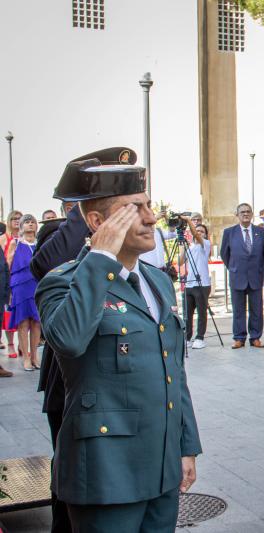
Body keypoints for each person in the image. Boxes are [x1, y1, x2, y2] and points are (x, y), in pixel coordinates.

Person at [35, 156, 201, 532]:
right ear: (97, 222)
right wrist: (100, 257)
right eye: (134, 209)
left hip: (161, 467)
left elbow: (173, 369)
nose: (151, 217)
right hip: (106, 476)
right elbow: (69, 340)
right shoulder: (65, 281)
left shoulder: (157, 281)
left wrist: (186, 445)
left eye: (149, 206)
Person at [30, 147, 124, 533]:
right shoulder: (61, 232)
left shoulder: (138, 235)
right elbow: (46, 266)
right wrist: (84, 212)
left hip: (120, 380)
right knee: (70, 481)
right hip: (72, 381)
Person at [220, 203, 264, 349]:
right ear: (237, 215)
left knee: (256, 309)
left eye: (248, 211)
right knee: (238, 309)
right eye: (242, 212)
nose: (245, 214)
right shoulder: (229, 232)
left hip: (255, 276)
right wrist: (234, 267)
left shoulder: (261, 232)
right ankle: (239, 338)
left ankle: (255, 337)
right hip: (237, 276)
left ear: (252, 214)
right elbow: (225, 254)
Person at [7, 214, 41, 371]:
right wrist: (8, 290)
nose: (30, 224)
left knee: (36, 321)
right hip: (20, 285)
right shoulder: (15, 243)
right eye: (26, 222)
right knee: (23, 321)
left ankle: (35, 356)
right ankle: (26, 358)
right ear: (21, 226)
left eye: (32, 222)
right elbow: (8, 265)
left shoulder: (40, 243)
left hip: (37, 284)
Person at [183, 222, 212, 349]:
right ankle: (187, 337)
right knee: (187, 313)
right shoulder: (190, 247)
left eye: (201, 231)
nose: (198, 233)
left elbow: (195, 234)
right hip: (189, 284)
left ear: (205, 235)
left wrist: (188, 221)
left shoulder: (205, 244)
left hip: (202, 284)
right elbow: (179, 261)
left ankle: (200, 337)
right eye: (197, 230)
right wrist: (183, 246)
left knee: (201, 312)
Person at [2, 209, 22, 356]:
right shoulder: (3, 238)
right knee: (8, 312)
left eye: (19, 218)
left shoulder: (26, 238)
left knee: (22, 313)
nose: (16, 220)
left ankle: (22, 344)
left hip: (23, 280)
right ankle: (10, 344)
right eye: (14, 218)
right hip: (7, 279)